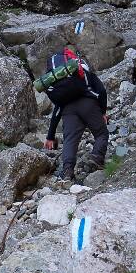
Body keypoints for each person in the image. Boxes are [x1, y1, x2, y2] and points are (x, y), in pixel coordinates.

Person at [42, 48, 108, 181]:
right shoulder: (81, 69)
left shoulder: (57, 81)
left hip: (68, 110)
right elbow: (101, 91)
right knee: (101, 133)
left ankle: (67, 171)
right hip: (88, 104)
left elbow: (57, 110)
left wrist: (50, 136)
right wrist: (102, 111)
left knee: (70, 140)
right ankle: (96, 157)